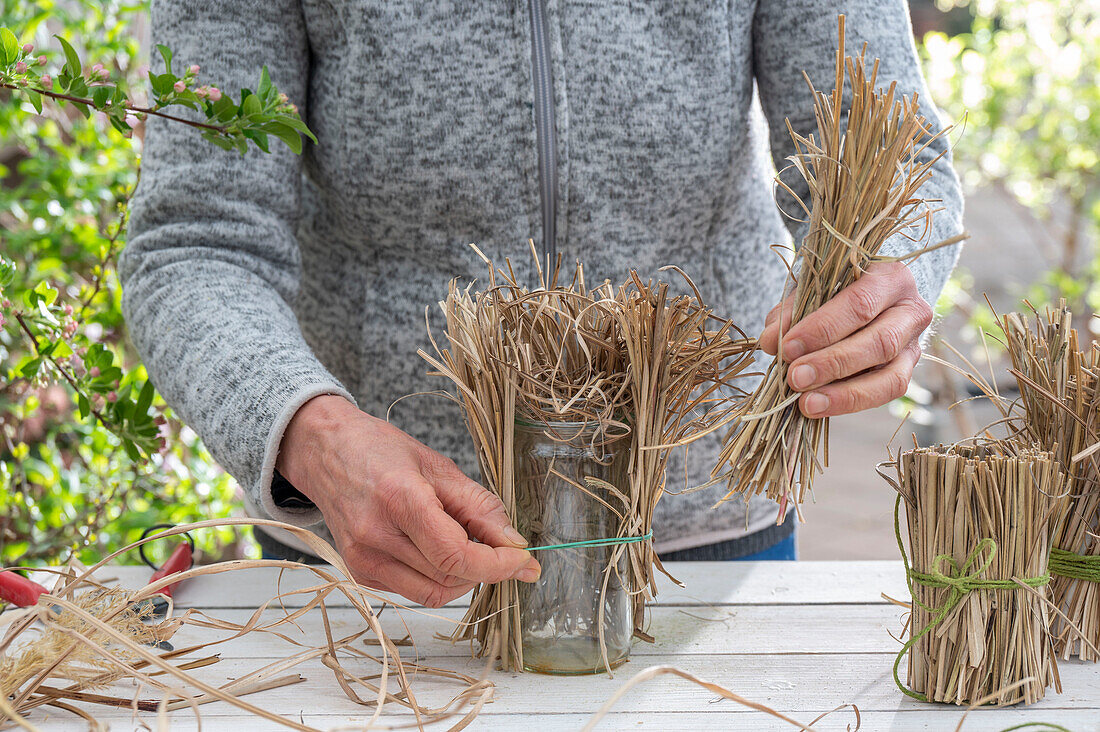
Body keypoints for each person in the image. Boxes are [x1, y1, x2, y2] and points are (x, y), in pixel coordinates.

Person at [122, 1, 963, 607]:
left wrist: (888, 271)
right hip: (377, 552)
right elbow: (194, 240)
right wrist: (313, 433)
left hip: (704, 536)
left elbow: (892, 149)